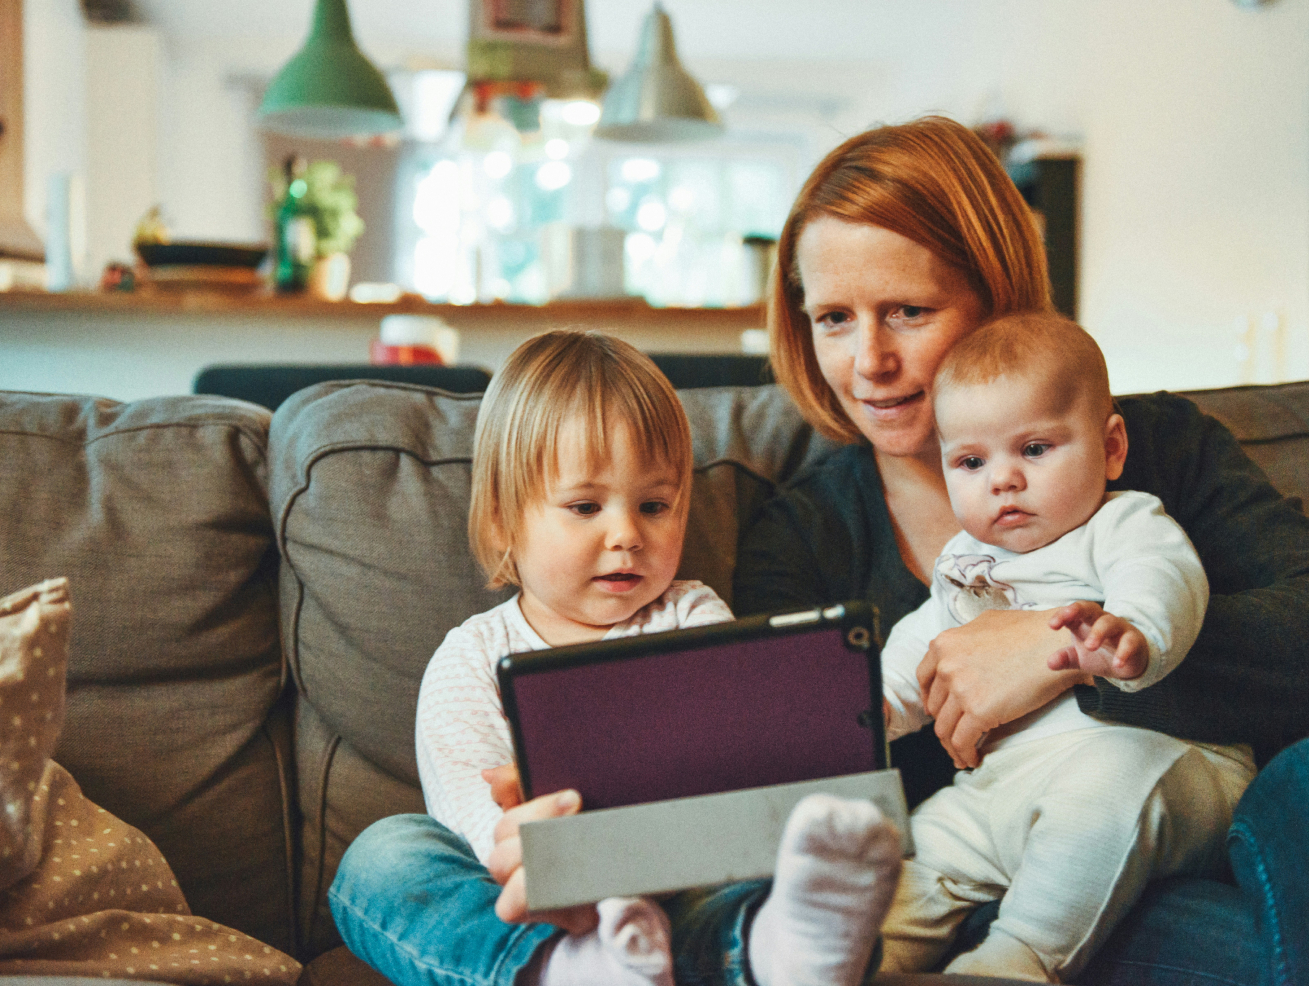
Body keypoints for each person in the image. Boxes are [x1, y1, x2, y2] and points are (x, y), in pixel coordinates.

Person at [724, 115, 1309, 984]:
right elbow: (800, 777)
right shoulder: (805, 535)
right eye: (835, 319)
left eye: (908, 313)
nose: (870, 361)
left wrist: (1058, 648)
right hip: (969, 880)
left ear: (997, 296)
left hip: (1182, 843)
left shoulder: (1155, 452)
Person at [331, 329, 905, 986]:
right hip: (539, 904)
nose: (628, 534)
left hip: (681, 883)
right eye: (585, 506)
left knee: (778, 866)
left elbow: (735, 763)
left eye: (654, 505)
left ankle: (780, 951)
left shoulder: (692, 615)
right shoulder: (470, 657)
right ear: (500, 521)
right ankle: (569, 969)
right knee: (383, 856)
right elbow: (473, 822)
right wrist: (552, 858)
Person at [875, 311, 1254, 980]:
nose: (1003, 480)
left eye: (1035, 449)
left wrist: (1132, 632)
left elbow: (1164, 578)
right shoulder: (967, 559)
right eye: (971, 461)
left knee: (1099, 796)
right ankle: (862, 958)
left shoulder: (1122, 521)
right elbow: (924, 643)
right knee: (922, 845)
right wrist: (874, 706)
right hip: (1003, 787)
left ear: (1110, 448)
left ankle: (1015, 959)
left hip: (1157, 765)